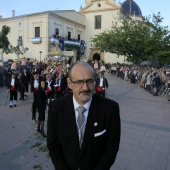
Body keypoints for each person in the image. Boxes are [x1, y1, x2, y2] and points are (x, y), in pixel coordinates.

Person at [47, 62, 120, 170]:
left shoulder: (110, 109)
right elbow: (53, 146)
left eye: (89, 81)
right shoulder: (56, 108)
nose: (85, 88)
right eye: (79, 82)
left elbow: (111, 148)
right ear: (69, 83)